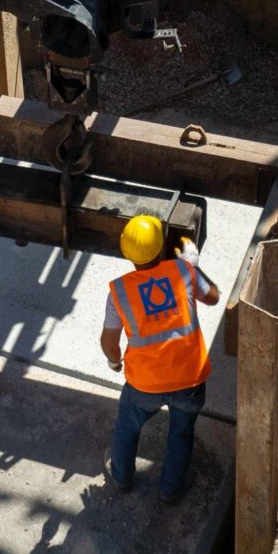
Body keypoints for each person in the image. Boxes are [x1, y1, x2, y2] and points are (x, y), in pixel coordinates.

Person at [102, 214, 217, 501]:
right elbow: (213, 297)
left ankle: (121, 477)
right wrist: (194, 266)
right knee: (181, 434)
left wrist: (115, 362)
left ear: (125, 250)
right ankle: (170, 490)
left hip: (145, 384)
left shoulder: (119, 291)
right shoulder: (183, 272)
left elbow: (109, 343)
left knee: (127, 428)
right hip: (190, 379)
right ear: (162, 243)